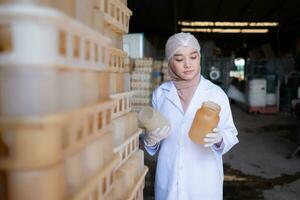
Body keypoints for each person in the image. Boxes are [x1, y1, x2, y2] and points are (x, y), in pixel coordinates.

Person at [143, 32, 239, 200]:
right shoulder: (161, 94)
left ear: (199, 58)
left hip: (203, 183)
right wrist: (150, 140)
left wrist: (220, 139)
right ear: (170, 62)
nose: (187, 64)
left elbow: (230, 133)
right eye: (179, 59)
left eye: (193, 57)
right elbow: (155, 138)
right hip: (170, 178)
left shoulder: (215, 94)